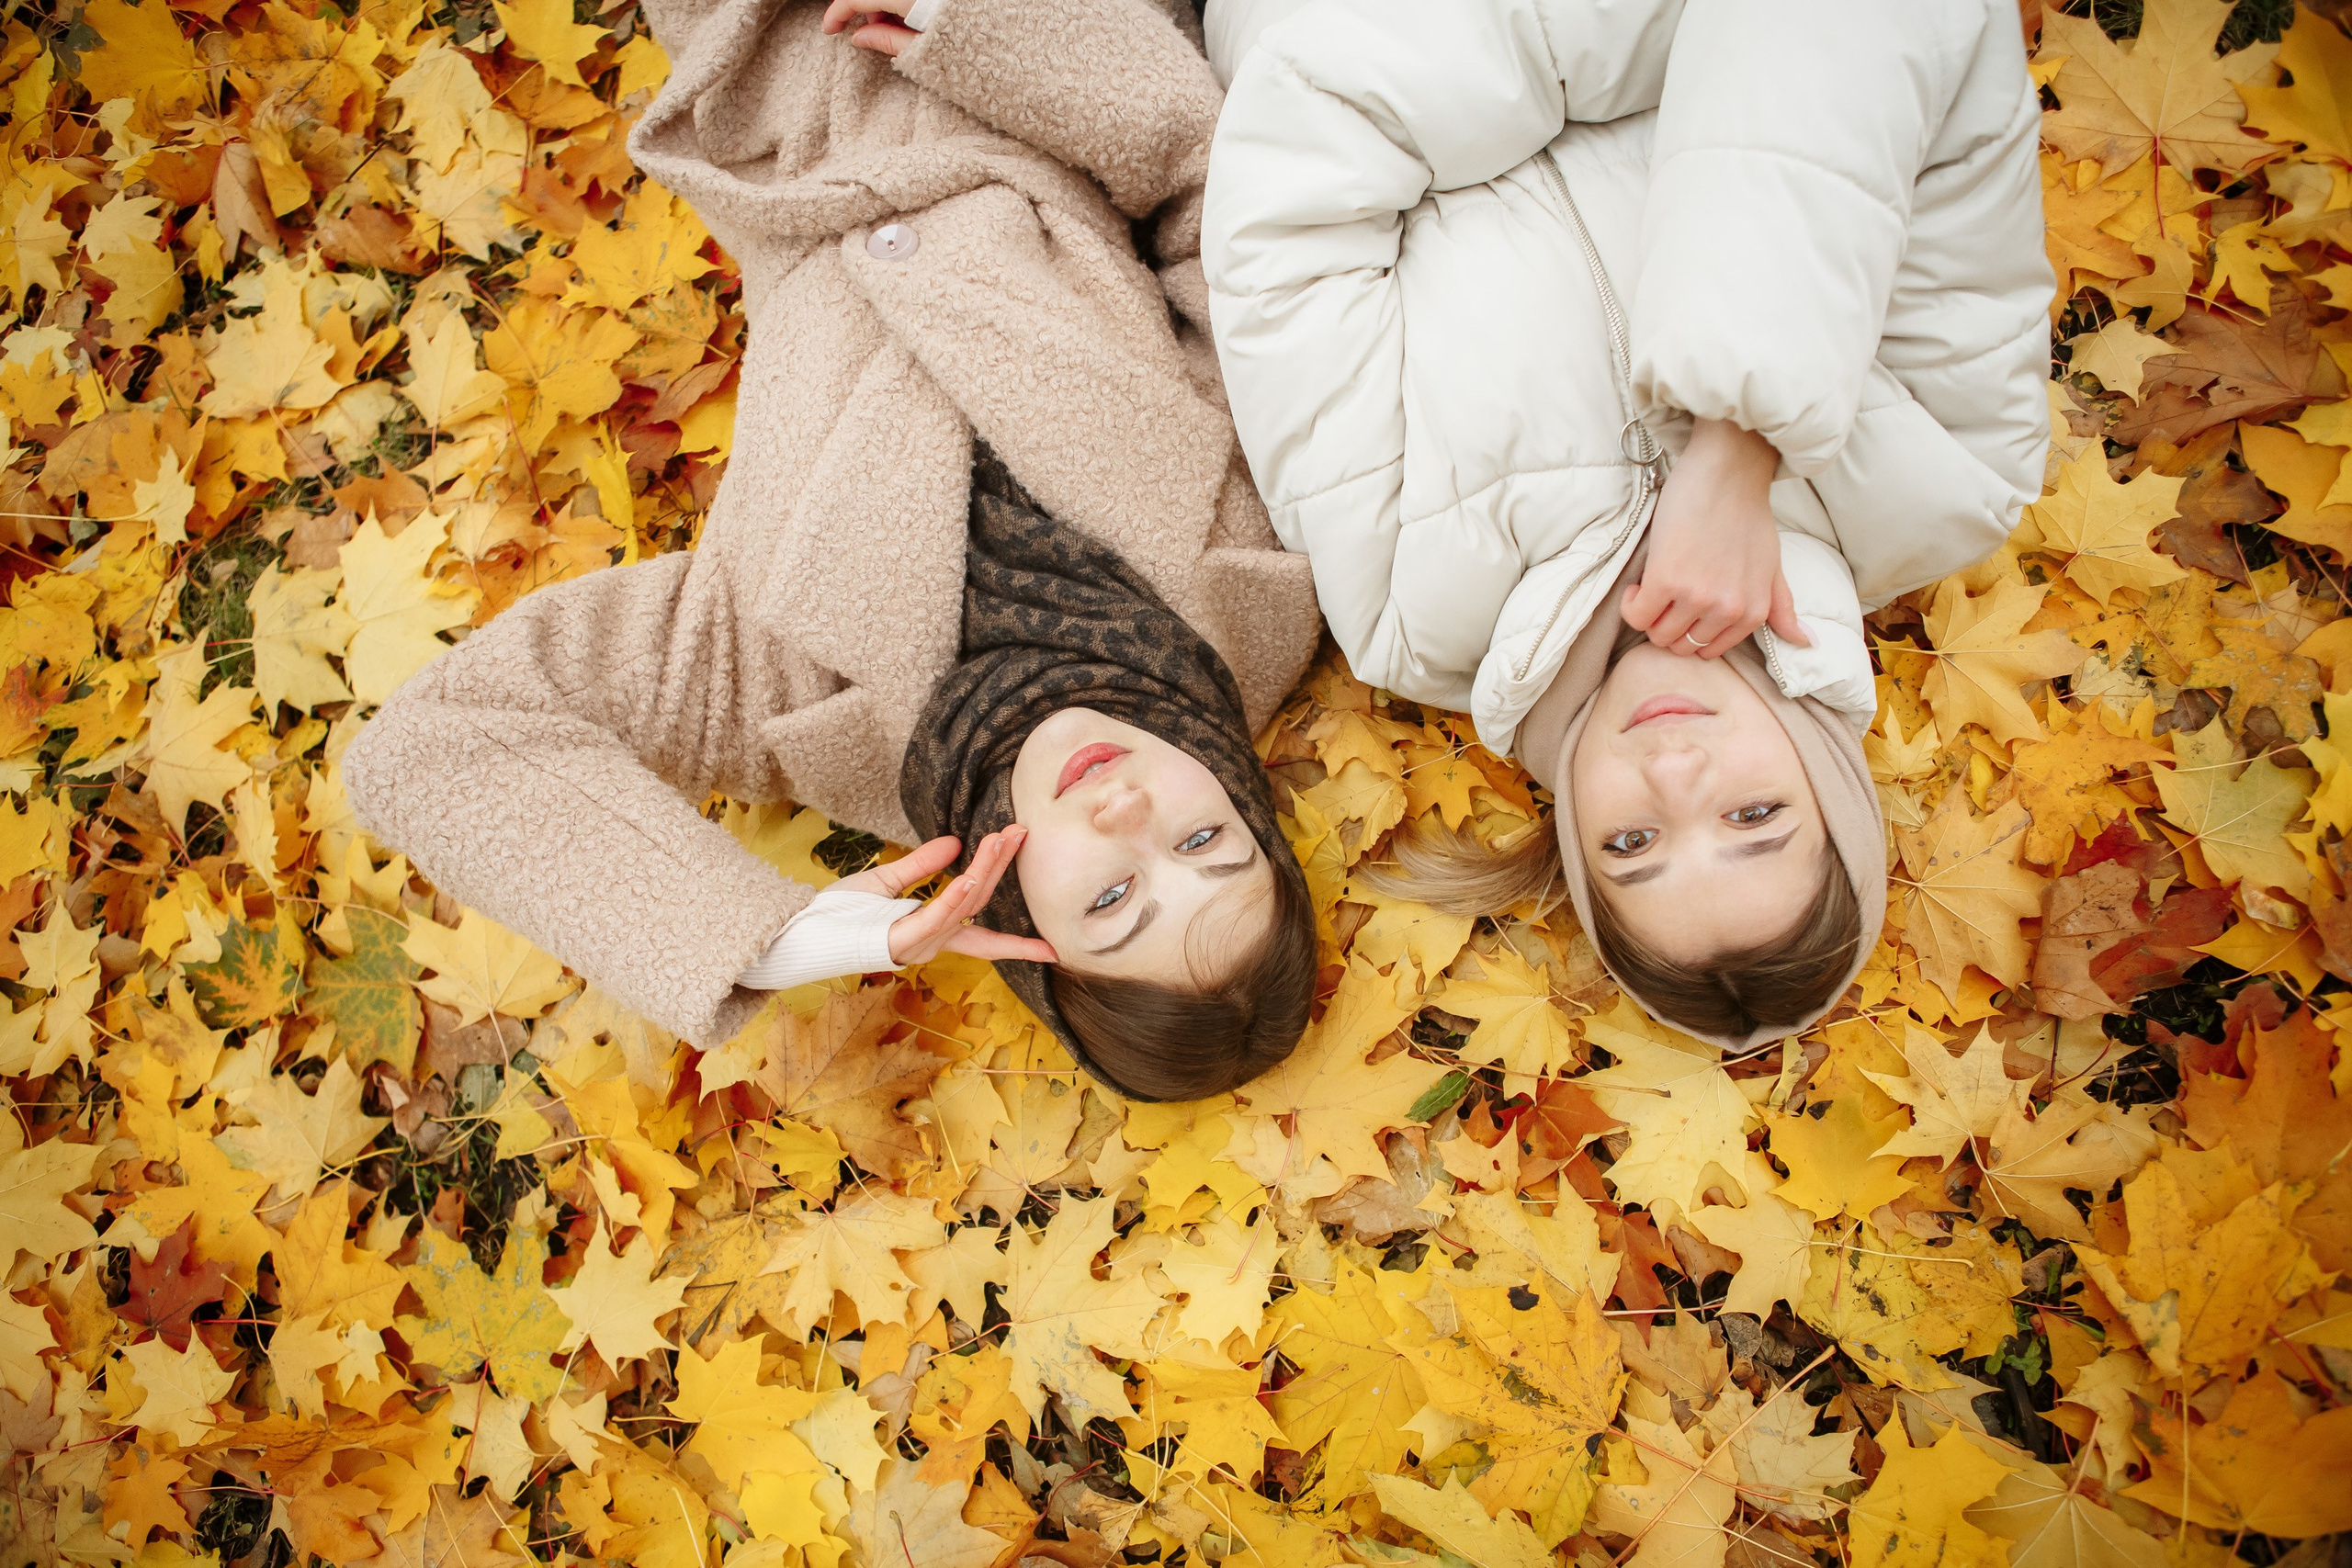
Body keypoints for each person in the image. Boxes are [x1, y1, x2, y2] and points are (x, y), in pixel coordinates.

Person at [343, 0, 1325, 1102]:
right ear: (1245, 798)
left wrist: (776, 937)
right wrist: (991, 34)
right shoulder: (1261, 575)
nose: (1134, 819)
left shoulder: (781, 700)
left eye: (1110, 902)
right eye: (1207, 843)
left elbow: (429, 747)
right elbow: (1212, 200)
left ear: (1022, 932)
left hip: (773, 59)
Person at [1202, 0, 2052, 1046]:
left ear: (1570, 833)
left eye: (1632, 843)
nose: (1675, 774)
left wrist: (1667, 54)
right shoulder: (1946, 473)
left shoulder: (1408, 612)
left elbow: (1292, 179)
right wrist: (1742, 442)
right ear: (1828, 785)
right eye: (1753, 820)